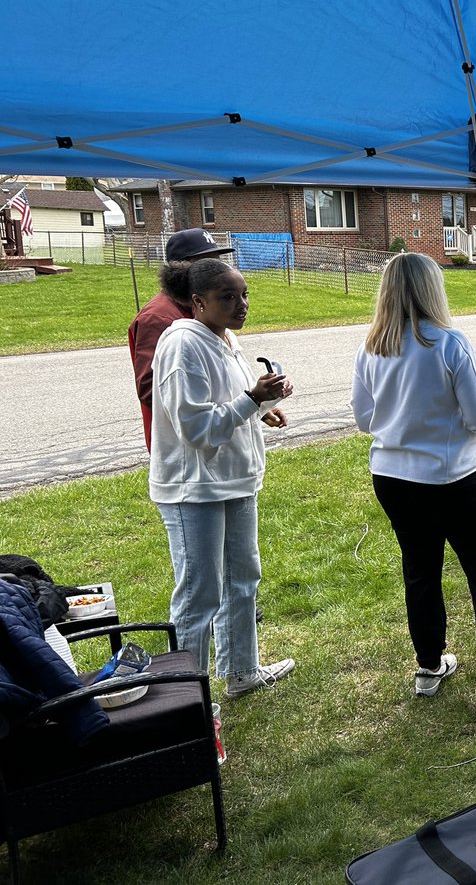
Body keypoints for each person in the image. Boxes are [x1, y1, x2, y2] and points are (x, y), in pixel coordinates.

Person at [351, 252, 476, 719]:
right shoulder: (450, 343)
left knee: (420, 569)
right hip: (454, 476)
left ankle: (430, 666)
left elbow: (363, 418)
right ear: (432, 289)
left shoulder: (371, 346)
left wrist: (405, 423)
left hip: (394, 477)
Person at [150, 259, 296, 697]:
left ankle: (240, 671)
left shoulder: (224, 337)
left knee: (242, 579)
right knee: (199, 596)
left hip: (234, 481)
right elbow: (194, 429)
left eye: (244, 294)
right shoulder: (181, 344)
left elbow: (226, 402)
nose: (241, 304)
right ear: (197, 302)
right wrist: (252, 399)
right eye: (228, 297)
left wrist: (260, 407)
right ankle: (186, 699)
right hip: (193, 488)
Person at [129, 229, 235, 450]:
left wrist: (251, 407)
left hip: (213, 435)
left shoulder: (201, 307)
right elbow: (152, 388)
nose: (215, 269)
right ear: (181, 267)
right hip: (181, 450)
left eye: (217, 261)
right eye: (206, 261)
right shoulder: (157, 317)